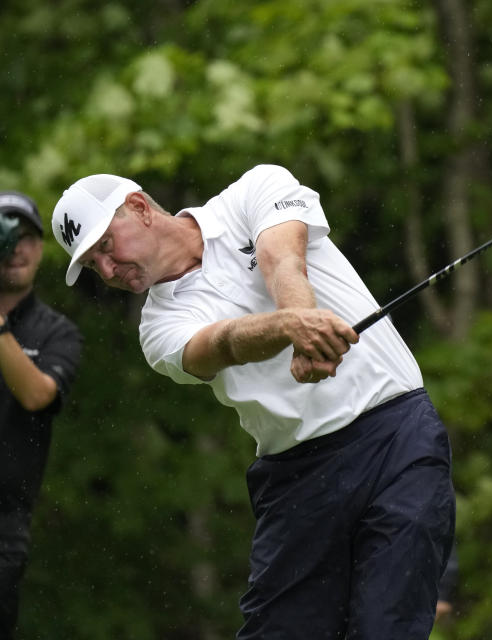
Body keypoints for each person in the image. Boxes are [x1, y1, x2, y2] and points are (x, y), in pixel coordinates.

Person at [51, 166, 455, 639]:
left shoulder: (253, 191)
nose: (106, 270)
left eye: (104, 247)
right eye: (93, 266)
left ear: (139, 208)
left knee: (387, 627)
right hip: (299, 477)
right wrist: (291, 331)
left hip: (397, 438)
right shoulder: (156, 329)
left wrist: (301, 321)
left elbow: (282, 258)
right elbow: (222, 345)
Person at [0, 191, 82, 640]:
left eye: (28, 236)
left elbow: (37, 395)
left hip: (4, 525)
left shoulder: (57, 332)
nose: (17, 247)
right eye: (5, 234)